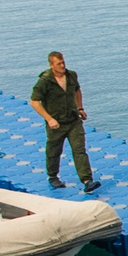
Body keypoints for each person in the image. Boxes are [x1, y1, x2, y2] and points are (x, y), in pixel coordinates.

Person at [31, 52, 99, 193]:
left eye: (63, 62)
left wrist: (80, 107)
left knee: (79, 150)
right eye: (58, 64)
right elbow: (34, 102)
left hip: (73, 120)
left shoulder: (71, 75)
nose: (62, 66)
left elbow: (77, 90)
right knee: (54, 150)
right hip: (57, 122)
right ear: (51, 65)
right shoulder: (44, 81)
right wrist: (49, 119)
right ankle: (53, 176)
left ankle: (87, 180)